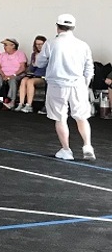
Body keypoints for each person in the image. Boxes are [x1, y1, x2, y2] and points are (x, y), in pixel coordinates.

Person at [35, 14, 95, 161]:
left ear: (57, 26)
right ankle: (87, 146)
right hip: (78, 85)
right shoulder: (83, 45)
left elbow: (39, 63)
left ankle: (66, 150)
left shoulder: (51, 43)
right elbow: (89, 68)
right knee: (81, 117)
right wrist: (85, 84)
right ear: (73, 27)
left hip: (57, 84)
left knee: (60, 117)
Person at [14, 36, 47, 113]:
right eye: (37, 44)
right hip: (35, 75)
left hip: (43, 77)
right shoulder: (34, 54)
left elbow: (47, 69)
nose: (39, 46)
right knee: (24, 80)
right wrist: (33, 63)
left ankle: (29, 105)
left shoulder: (47, 55)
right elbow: (32, 69)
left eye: (41, 44)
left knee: (30, 82)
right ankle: (21, 103)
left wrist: (39, 63)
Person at [0, 38, 27, 110]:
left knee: (12, 81)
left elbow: (22, 68)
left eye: (6, 45)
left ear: (13, 46)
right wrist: (3, 75)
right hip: (4, 74)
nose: (4, 47)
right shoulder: (2, 55)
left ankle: (11, 101)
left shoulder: (20, 54)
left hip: (16, 74)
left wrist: (13, 75)